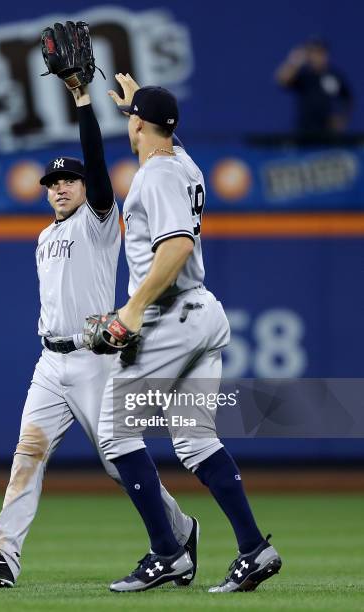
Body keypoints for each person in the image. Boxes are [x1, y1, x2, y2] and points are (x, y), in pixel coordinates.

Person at [0, 81, 196, 588]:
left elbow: (95, 160)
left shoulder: (99, 221)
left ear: (87, 188)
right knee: (28, 453)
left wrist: (84, 103)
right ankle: (4, 555)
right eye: (53, 182)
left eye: (70, 181)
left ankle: (179, 530)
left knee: (118, 464)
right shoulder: (43, 237)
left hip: (96, 360)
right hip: (50, 363)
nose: (60, 187)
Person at [95, 74, 282, 593]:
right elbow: (164, 133)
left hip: (170, 317)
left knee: (115, 433)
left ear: (138, 126)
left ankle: (168, 552)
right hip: (201, 315)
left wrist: (130, 310)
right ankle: (254, 549)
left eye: (133, 121)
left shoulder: (154, 175)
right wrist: (140, 104)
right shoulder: (184, 162)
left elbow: (174, 248)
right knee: (196, 440)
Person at [275, 38, 353, 135]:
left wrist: (341, 119)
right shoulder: (304, 75)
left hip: (328, 131)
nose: (317, 56)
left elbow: (347, 98)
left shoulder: (335, 76)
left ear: (326, 54)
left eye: (320, 52)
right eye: (313, 53)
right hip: (304, 130)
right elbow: (282, 80)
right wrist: (294, 61)